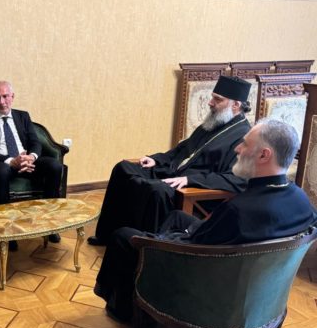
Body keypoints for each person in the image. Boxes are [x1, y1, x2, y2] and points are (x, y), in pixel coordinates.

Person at [94, 119, 317, 323]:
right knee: (176, 217)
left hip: (208, 282)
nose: (238, 149)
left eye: (245, 144)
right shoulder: (301, 201)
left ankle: (133, 311)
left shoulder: (239, 210)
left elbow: (194, 247)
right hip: (256, 286)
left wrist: (160, 240)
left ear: (264, 155)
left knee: (122, 236)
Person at [88, 75, 252, 246]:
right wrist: (157, 160)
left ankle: (145, 249)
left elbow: (237, 180)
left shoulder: (243, 137)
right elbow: (183, 148)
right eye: (212, 97)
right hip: (173, 171)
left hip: (195, 190)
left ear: (235, 105)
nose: (210, 103)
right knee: (123, 168)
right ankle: (107, 235)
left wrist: (189, 180)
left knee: (157, 190)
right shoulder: (214, 121)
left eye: (217, 99)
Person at [0, 80, 63, 251]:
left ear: (12, 96)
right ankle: (8, 231)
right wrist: (11, 161)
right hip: (2, 163)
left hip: (26, 160)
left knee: (55, 166)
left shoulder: (23, 116)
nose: (2, 101)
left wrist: (31, 157)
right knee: (1, 171)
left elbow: (35, 142)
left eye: (5, 96)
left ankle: (49, 224)